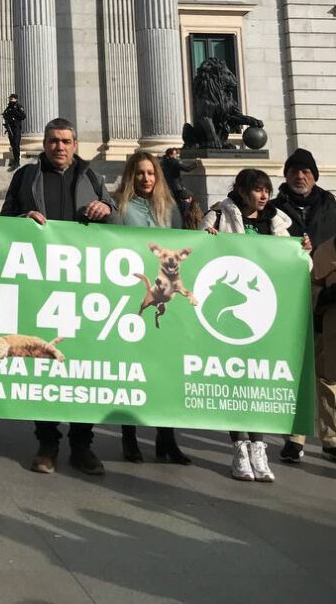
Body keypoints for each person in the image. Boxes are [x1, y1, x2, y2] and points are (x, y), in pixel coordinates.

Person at [0, 117, 114, 476]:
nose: (59, 147)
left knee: (81, 365)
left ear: (75, 145)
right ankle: (47, 442)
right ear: (44, 144)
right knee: (43, 361)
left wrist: (106, 211)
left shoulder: (93, 178)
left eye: (65, 141)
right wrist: (22, 217)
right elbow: (4, 222)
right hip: (40, 287)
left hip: (82, 289)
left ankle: (82, 444)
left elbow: (117, 222)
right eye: (53, 141)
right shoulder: (25, 178)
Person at [202, 168, 301, 482]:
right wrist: (208, 240)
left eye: (266, 190)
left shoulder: (278, 221)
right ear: (242, 191)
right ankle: (239, 447)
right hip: (228, 314)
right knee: (235, 379)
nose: (263, 196)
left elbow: (294, 263)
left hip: (265, 312)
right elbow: (200, 253)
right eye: (257, 190)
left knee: (259, 382)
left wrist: (303, 252)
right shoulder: (218, 214)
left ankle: (260, 447)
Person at [112, 152, 190, 466]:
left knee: (164, 369)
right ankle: (129, 438)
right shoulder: (120, 208)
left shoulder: (170, 209)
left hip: (165, 296)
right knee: (129, 369)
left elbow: (186, 248)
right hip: (131, 296)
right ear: (131, 176)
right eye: (140, 173)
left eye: (151, 173)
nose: (146, 178)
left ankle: (166, 438)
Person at [274, 148, 336, 463]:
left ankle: (332, 437)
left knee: (329, 374)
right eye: (294, 171)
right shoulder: (273, 208)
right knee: (294, 372)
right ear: (285, 176)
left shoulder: (332, 207)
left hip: (327, 301)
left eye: (306, 171)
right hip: (289, 300)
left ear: (315, 175)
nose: (300, 176)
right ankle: (294, 438)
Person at [310, 233, 336, 463]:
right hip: (332, 326)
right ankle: (331, 440)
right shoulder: (325, 250)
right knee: (330, 383)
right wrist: (325, 294)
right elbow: (311, 287)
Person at [2, 94, 25, 165]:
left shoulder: (18, 107)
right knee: (13, 145)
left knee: (16, 144)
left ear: (15, 99)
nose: (10, 100)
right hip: (10, 128)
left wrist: (15, 112)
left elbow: (23, 116)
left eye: (12, 99)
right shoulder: (8, 108)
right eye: (10, 99)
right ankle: (15, 159)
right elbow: (5, 116)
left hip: (16, 128)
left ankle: (17, 161)